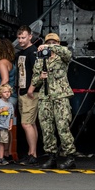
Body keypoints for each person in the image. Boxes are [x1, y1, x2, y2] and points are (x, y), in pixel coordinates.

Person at [31, 31, 78, 170]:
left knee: (63, 127)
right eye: (48, 42)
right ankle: (51, 156)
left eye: (54, 42)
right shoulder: (40, 59)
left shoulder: (62, 56)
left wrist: (49, 47)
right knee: (47, 128)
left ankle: (70, 156)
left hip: (60, 96)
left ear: (57, 43)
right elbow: (34, 80)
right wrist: (40, 77)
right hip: (45, 97)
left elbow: (67, 53)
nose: (50, 44)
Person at [13, 25, 41, 165]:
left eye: (23, 37)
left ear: (30, 36)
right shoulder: (21, 53)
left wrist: (31, 88)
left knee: (26, 124)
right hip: (22, 92)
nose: (21, 40)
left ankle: (33, 154)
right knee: (30, 124)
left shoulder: (33, 52)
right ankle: (32, 152)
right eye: (19, 38)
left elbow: (38, 72)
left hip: (30, 93)